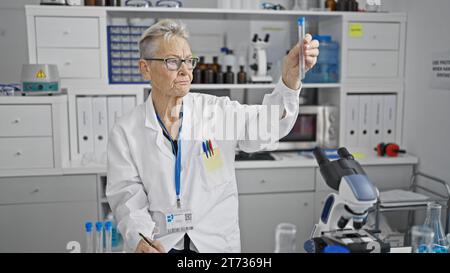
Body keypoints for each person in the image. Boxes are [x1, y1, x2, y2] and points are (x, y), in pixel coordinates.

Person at [106, 19, 319, 253]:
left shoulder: (217, 112)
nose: (185, 70)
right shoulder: (126, 131)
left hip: (214, 244)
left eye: (189, 61)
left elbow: (265, 126)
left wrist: (288, 81)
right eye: (172, 62)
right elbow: (127, 196)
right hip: (161, 244)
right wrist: (141, 239)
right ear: (145, 68)